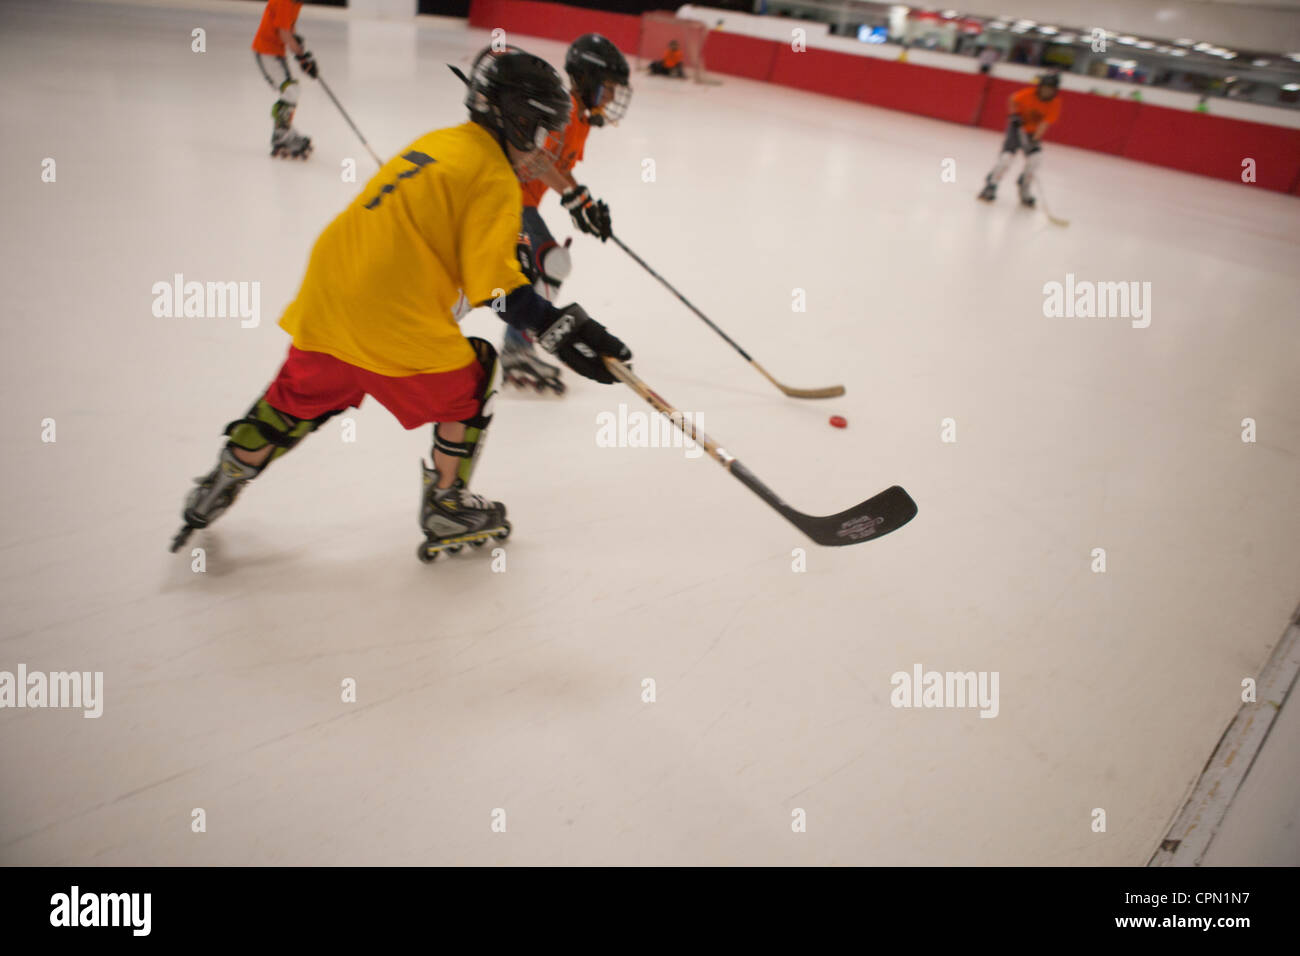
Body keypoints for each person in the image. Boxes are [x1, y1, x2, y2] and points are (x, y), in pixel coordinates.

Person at [170, 47, 634, 562]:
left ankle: (225, 474)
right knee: (478, 375)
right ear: (518, 120)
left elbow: (439, 233)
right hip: (391, 320)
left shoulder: (439, 142)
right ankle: (447, 503)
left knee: (292, 404)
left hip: (329, 299)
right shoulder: (498, 179)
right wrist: (562, 332)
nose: (546, 148)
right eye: (544, 130)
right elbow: (497, 293)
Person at [502, 33, 632, 395]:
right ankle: (516, 350)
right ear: (588, 79)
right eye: (607, 88)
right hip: (504, 197)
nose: (610, 97)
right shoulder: (563, 110)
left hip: (520, 201)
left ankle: (518, 344)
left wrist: (583, 202)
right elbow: (533, 156)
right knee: (549, 263)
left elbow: (559, 166)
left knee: (544, 266)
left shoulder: (582, 120)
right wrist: (572, 196)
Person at [977, 72, 1062, 207]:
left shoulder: (1054, 103)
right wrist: (1014, 115)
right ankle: (991, 185)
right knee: (1006, 159)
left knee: (1035, 159)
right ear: (1040, 87)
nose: (1047, 91)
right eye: (1045, 87)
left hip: (1032, 133)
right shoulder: (1028, 94)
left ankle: (1024, 184)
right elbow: (1012, 99)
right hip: (1017, 129)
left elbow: (1045, 123)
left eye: (1050, 89)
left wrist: (1035, 139)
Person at [251, 0, 319, 159]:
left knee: (292, 90)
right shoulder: (285, 1)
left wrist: (300, 52)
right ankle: (281, 135)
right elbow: (283, 33)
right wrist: (301, 56)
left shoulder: (296, 3)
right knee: (291, 90)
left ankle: (284, 130)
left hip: (276, 52)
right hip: (266, 51)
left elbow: (289, 28)